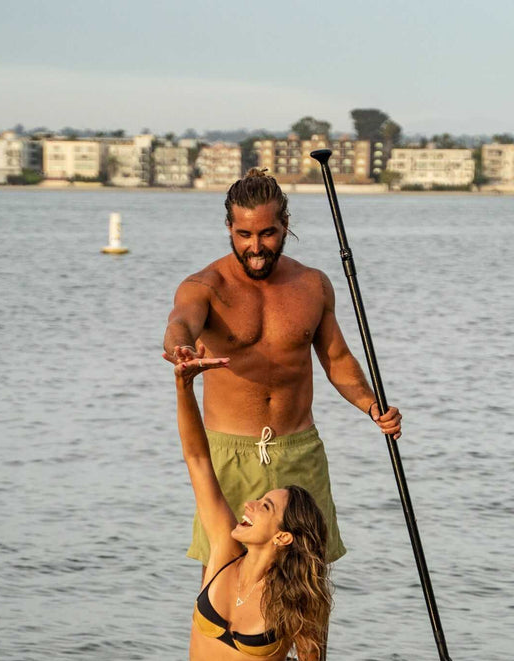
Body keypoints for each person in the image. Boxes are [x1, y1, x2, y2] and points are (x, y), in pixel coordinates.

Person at [105, 349, 390, 661]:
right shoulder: (221, 551)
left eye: (267, 506)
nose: (251, 504)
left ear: (283, 538)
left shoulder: (297, 597)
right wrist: (184, 387)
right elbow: (199, 460)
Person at [162, 168, 402, 566]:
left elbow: (337, 359)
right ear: (229, 227)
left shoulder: (313, 285)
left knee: (308, 586)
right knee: (225, 583)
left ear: (286, 224)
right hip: (231, 456)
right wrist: (181, 351)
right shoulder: (204, 286)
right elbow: (180, 323)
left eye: (267, 233)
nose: (256, 247)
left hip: (299, 452)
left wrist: (373, 407)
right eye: (244, 235)